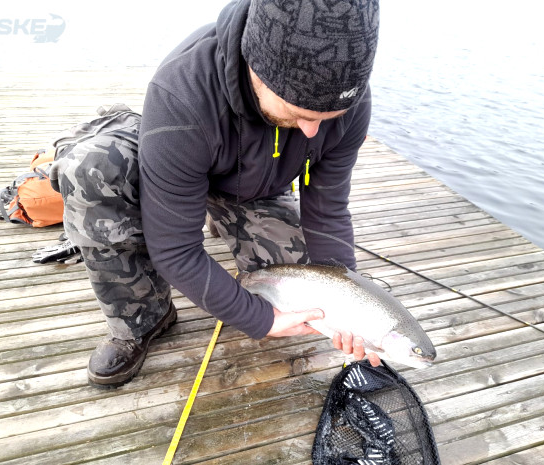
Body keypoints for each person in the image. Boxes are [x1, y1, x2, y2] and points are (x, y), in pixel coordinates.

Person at [50, 0, 381, 389]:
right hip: (179, 154)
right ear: (258, 70)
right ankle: (143, 318)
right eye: (301, 114)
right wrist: (261, 319)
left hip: (253, 186)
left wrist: (348, 298)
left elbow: (328, 210)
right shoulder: (181, 92)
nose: (312, 132)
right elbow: (175, 249)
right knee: (93, 168)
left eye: (327, 119)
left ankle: (221, 215)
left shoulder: (350, 103)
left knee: (303, 286)